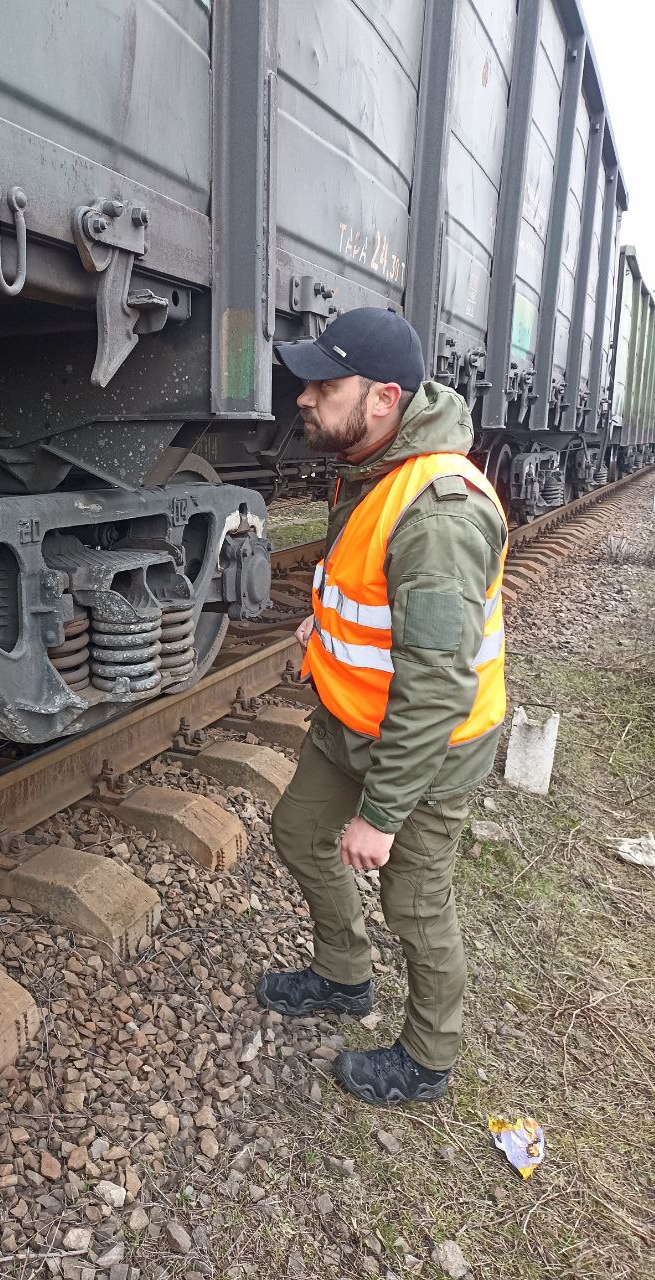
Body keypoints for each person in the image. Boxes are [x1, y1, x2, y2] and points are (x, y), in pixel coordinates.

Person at [260, 307, 508, 1106]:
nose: (304, 397)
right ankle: (342, 976)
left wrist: (383, 813)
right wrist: (320, 620)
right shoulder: (369, 468)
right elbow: (369, 588)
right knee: (298, 831)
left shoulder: (438, 513)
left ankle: (429, 1058)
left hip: (427, 746)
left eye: (325, 384)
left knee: (413, 898)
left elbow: (437, 687)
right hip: (350, 720)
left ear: (382, 398)